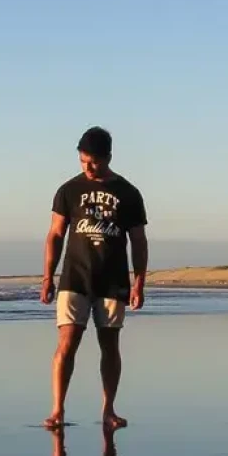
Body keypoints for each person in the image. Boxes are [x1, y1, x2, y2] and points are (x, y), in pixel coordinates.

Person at [40, 126, 148, 430]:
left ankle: (109, 410)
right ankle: (57, 409)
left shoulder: (128, 192)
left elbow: (139, 241)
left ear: (108, 157)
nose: (88, 167)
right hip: (75, 278)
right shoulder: (68, 190)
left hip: (112, 280)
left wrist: (139, 281)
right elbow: (55, 234)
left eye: (94, 162)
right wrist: (48, 276)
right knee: (66, 343)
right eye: (83, 160)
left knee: (109, 344)